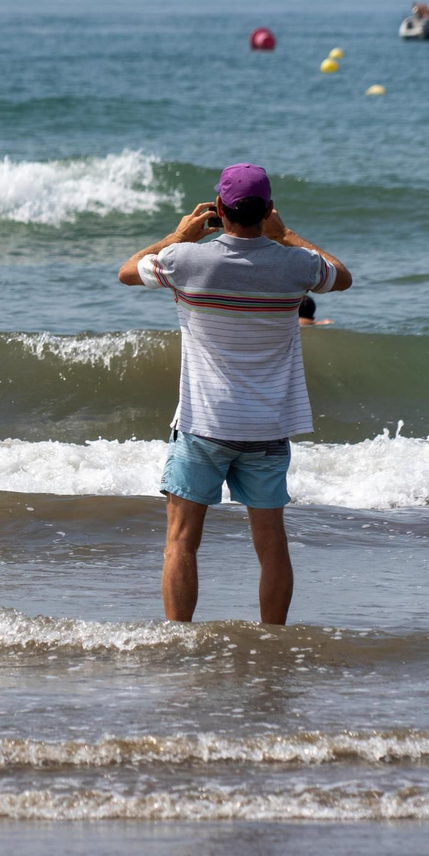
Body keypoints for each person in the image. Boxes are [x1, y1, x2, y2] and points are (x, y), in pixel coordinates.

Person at [118, 163, 352, 625]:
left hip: (202, 425)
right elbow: (341, 276)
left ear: (219, 210)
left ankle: (179, 639)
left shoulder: (186, 261)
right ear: (267, 210)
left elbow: (127, 272)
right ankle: (273, 640)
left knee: (182, 541)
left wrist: (179, 235)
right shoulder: (295, 265)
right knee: (272, 545)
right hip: (266, 427)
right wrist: (286, 235)